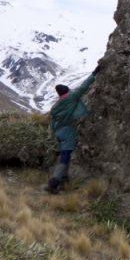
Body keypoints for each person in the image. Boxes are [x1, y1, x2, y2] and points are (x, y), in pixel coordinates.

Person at [45, 66, 99, 194]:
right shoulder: (71, 98)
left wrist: (54, 132)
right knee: (65, 157)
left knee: (66, 156)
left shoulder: (56, 106)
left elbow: (52, 122)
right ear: (67, 91)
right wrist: (94, 73)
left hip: (58, 133)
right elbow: (83, 87)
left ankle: (64, 182)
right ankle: (54, 183)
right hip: (67, 132)